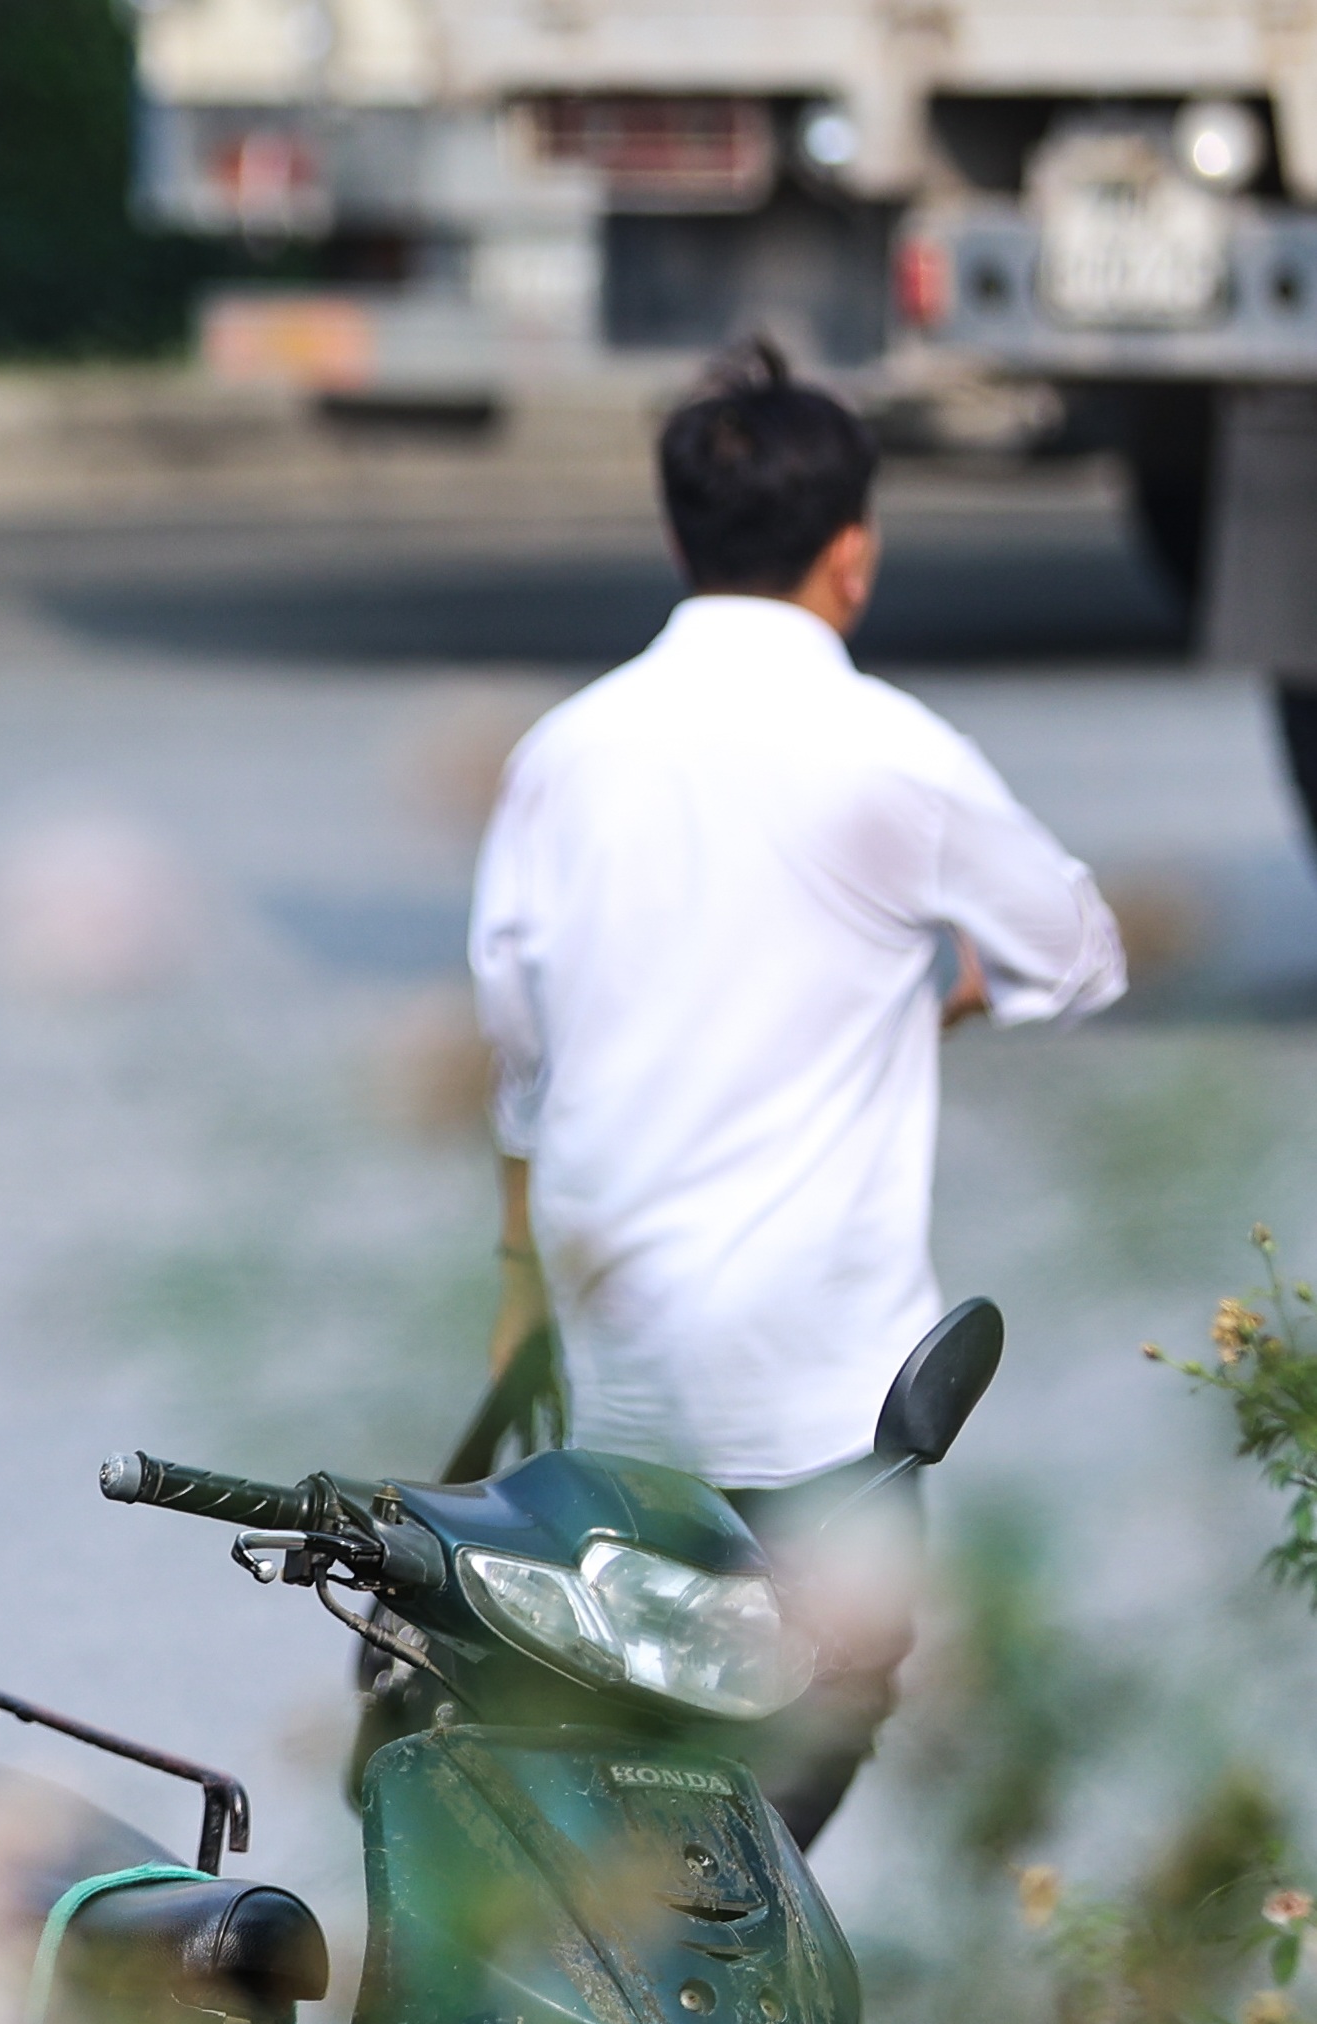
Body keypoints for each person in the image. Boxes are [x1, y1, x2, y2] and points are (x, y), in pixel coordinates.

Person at [470, 339, 1124, 1843]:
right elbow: (1074, 954)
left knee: (629, 1705)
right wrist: (930, 999)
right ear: (851, 555)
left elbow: (520, 1052)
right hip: (818, 1385)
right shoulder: (893, 753)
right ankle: (723, 1981)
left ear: (673, 540)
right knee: (826, 1692)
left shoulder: (561, 756)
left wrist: (515, 1295)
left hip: (618, 1362)